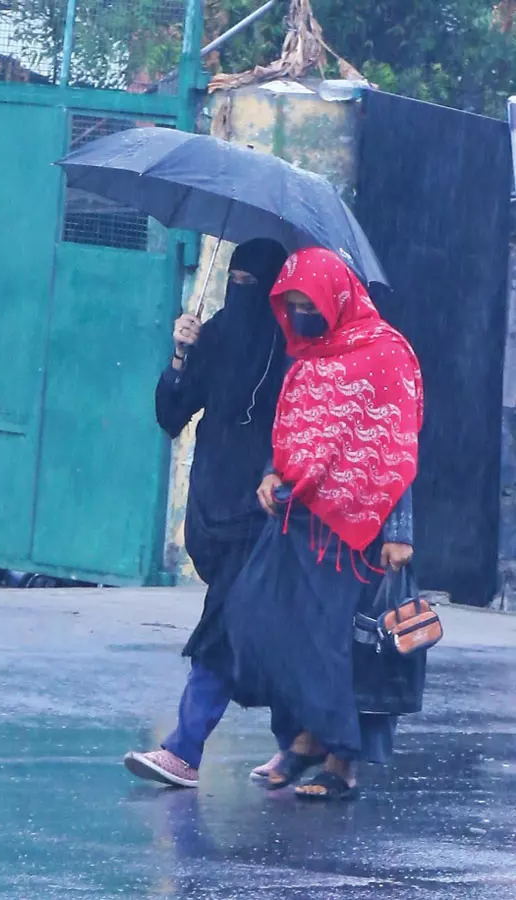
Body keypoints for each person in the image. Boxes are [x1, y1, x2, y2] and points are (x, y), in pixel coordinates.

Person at [226, 247, 422, 801]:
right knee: (265, 624)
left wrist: (401, 531)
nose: (299, 315)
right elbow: (292, 429)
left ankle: (342, 760)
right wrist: (270, 474)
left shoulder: (387, 353)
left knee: (336, 644)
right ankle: (302, 738)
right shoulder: (305, 356)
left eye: (307, 304)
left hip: (360, 526)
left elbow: (398, 443)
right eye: (290, 305)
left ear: (335, 298)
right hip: (298, 515)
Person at [124, 239, 290, 789]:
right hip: (211, 505)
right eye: (233, 277)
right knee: (263, 628)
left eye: (252, 281)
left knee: (223, 623)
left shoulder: (291, 346)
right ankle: (303, 745)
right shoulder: (214, 334)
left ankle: (184, 749)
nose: (239, 288)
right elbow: (171, 415)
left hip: (266, 505)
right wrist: (180, 353)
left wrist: (277, 470)